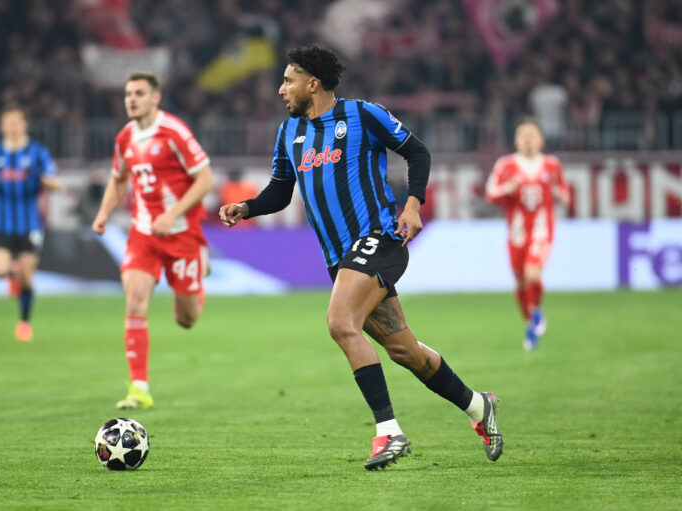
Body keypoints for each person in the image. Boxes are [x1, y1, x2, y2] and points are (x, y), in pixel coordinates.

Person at [220, 45, 503, 471]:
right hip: (340, 257)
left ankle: (389, 432)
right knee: (404, 350)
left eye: (288, 80)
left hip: (378, 238)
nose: (281, 89)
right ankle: (478, 405)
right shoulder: (290, 132)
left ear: (312, 84)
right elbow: (280, 191)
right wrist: (246, 208)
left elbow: (417, 152)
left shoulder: (362, 115)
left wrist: (413, 205)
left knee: (340, 322)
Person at [92, 72, 214, 410]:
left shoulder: (174, 132)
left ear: (155, 98)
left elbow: (205, 180)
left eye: (139, 93)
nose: (132, 99)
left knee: (186, 319)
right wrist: (103, 213)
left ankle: (198, 271)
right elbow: (119, 180)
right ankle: (139, 388)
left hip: (182, 234)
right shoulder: (124, 138)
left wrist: (173, 214)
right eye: (128, 94)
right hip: (143, 234)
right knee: (135, 301)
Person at [0, 105, 60, 342]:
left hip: (30, 224)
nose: (12, 126)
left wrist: (46, 181)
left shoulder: (37, 152)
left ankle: (24, 322)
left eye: (16, 122)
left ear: (25, 125)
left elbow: (55, 182)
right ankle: (12, 273)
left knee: (27, 279)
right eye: (8, 122)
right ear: (2, 126)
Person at [485, 118, 571, 350]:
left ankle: (537, 311)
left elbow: (563, 190)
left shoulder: (552, 165)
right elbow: (490, 193)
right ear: (516, 140)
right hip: (516, 234)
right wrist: (508, 188)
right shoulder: (505, 165)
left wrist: (564, 197)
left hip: (542, 231)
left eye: (532, 134)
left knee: (532, 273)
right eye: (523, 135)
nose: (528, 139)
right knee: (521, 282)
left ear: (541, 139)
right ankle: (529, 323)